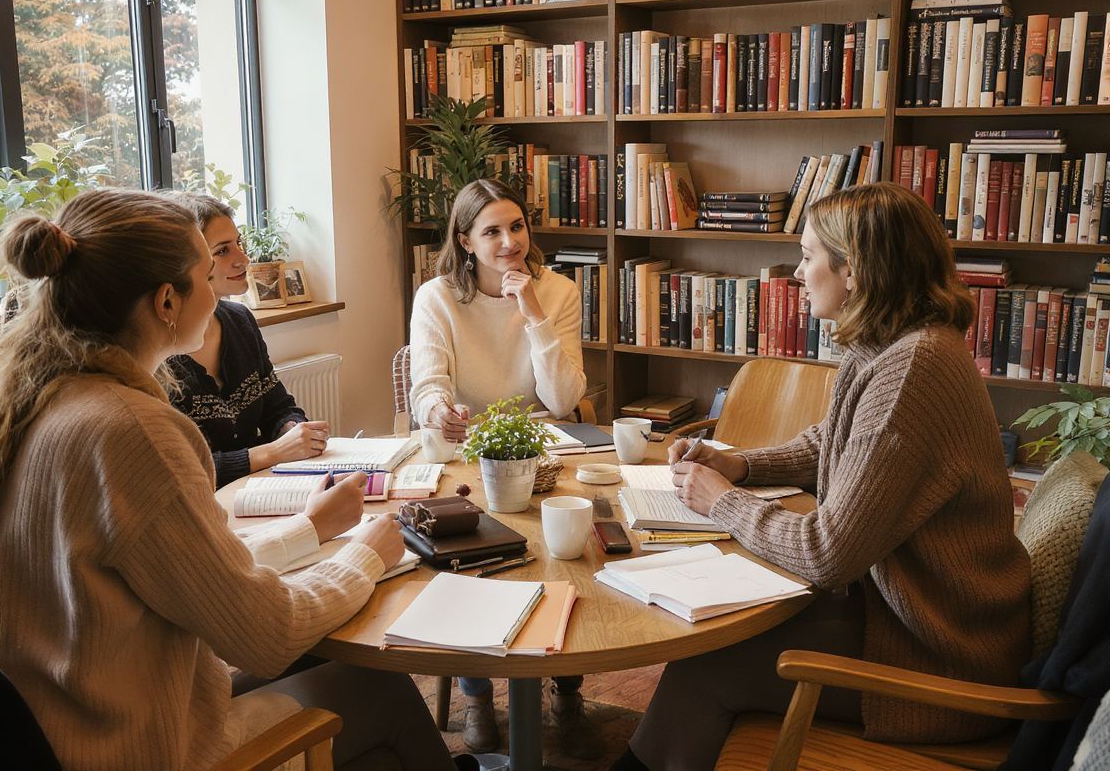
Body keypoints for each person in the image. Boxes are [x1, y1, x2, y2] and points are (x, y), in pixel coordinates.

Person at [0, 189, 462, 771]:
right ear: (167, 301)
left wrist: (308, 529)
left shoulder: (28, 404)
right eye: (205, 274)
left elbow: (183, 570)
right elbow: (267, 633)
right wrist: (365, 556)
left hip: (57, 729)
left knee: (327, 668)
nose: (218, 288)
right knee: (378, 689)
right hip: (142, 748)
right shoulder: (133, 431)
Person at [612, 183, 1032, 771]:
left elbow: (827, 552)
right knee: (715, 642)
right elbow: (833, 443)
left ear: (853, 270)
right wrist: (741, 464)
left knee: (707, 665)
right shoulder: (889, 343)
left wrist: (724, 500)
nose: (797, 273)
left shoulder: (914, 368)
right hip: (904, 621)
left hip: (940, 658)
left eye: (808, 256)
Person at [409, 178, 601, 759]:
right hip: (470, 449)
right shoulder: (437, 297)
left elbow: (563, 400)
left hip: (543, 449)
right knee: (463, 558)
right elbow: (427, 385)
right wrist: (439, 412)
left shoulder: (558, 291)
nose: (509, 242)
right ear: (465, 241)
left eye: (516, 227)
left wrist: (533, 313)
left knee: (566, 554)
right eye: (491, 231)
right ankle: (476, 695)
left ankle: (567, 689)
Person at [166, 192, 330, 487]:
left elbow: (278, 407)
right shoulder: (158, 353)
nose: (243, 258)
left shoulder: (240, 320)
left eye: (239, 243)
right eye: (222, 251)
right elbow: (181, 470)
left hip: (260, 490)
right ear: (187, 264)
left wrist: (292, 429)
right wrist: (274, 452)